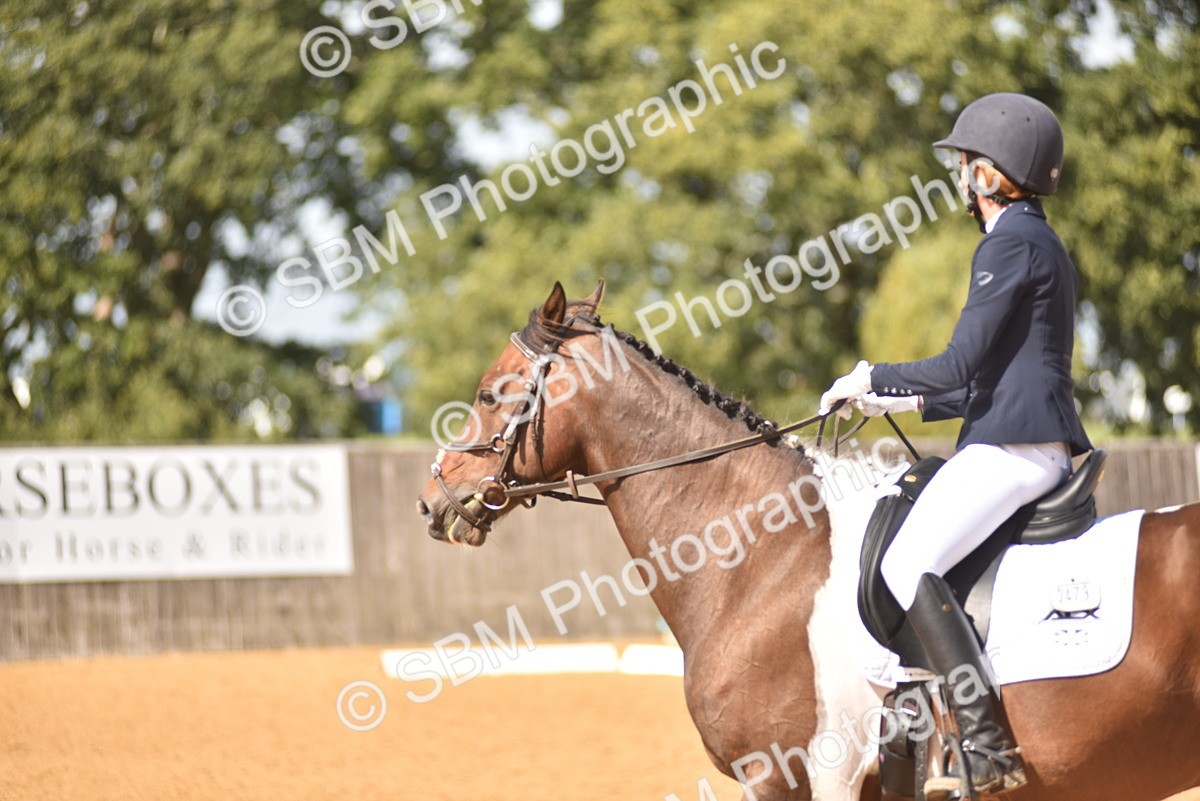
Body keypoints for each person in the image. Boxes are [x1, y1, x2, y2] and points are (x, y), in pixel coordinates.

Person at [819, 92, 1092, 798]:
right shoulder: (1041, 241)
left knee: (907, 559)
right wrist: (883, 400)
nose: (961, 175)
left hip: (1017, 448)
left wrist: (869, 373)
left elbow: (958, 367)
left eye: (968, 162)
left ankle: (986, 740)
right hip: (1024, 435)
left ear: (989, 174)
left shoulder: (1007, 243)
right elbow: (977, 387)